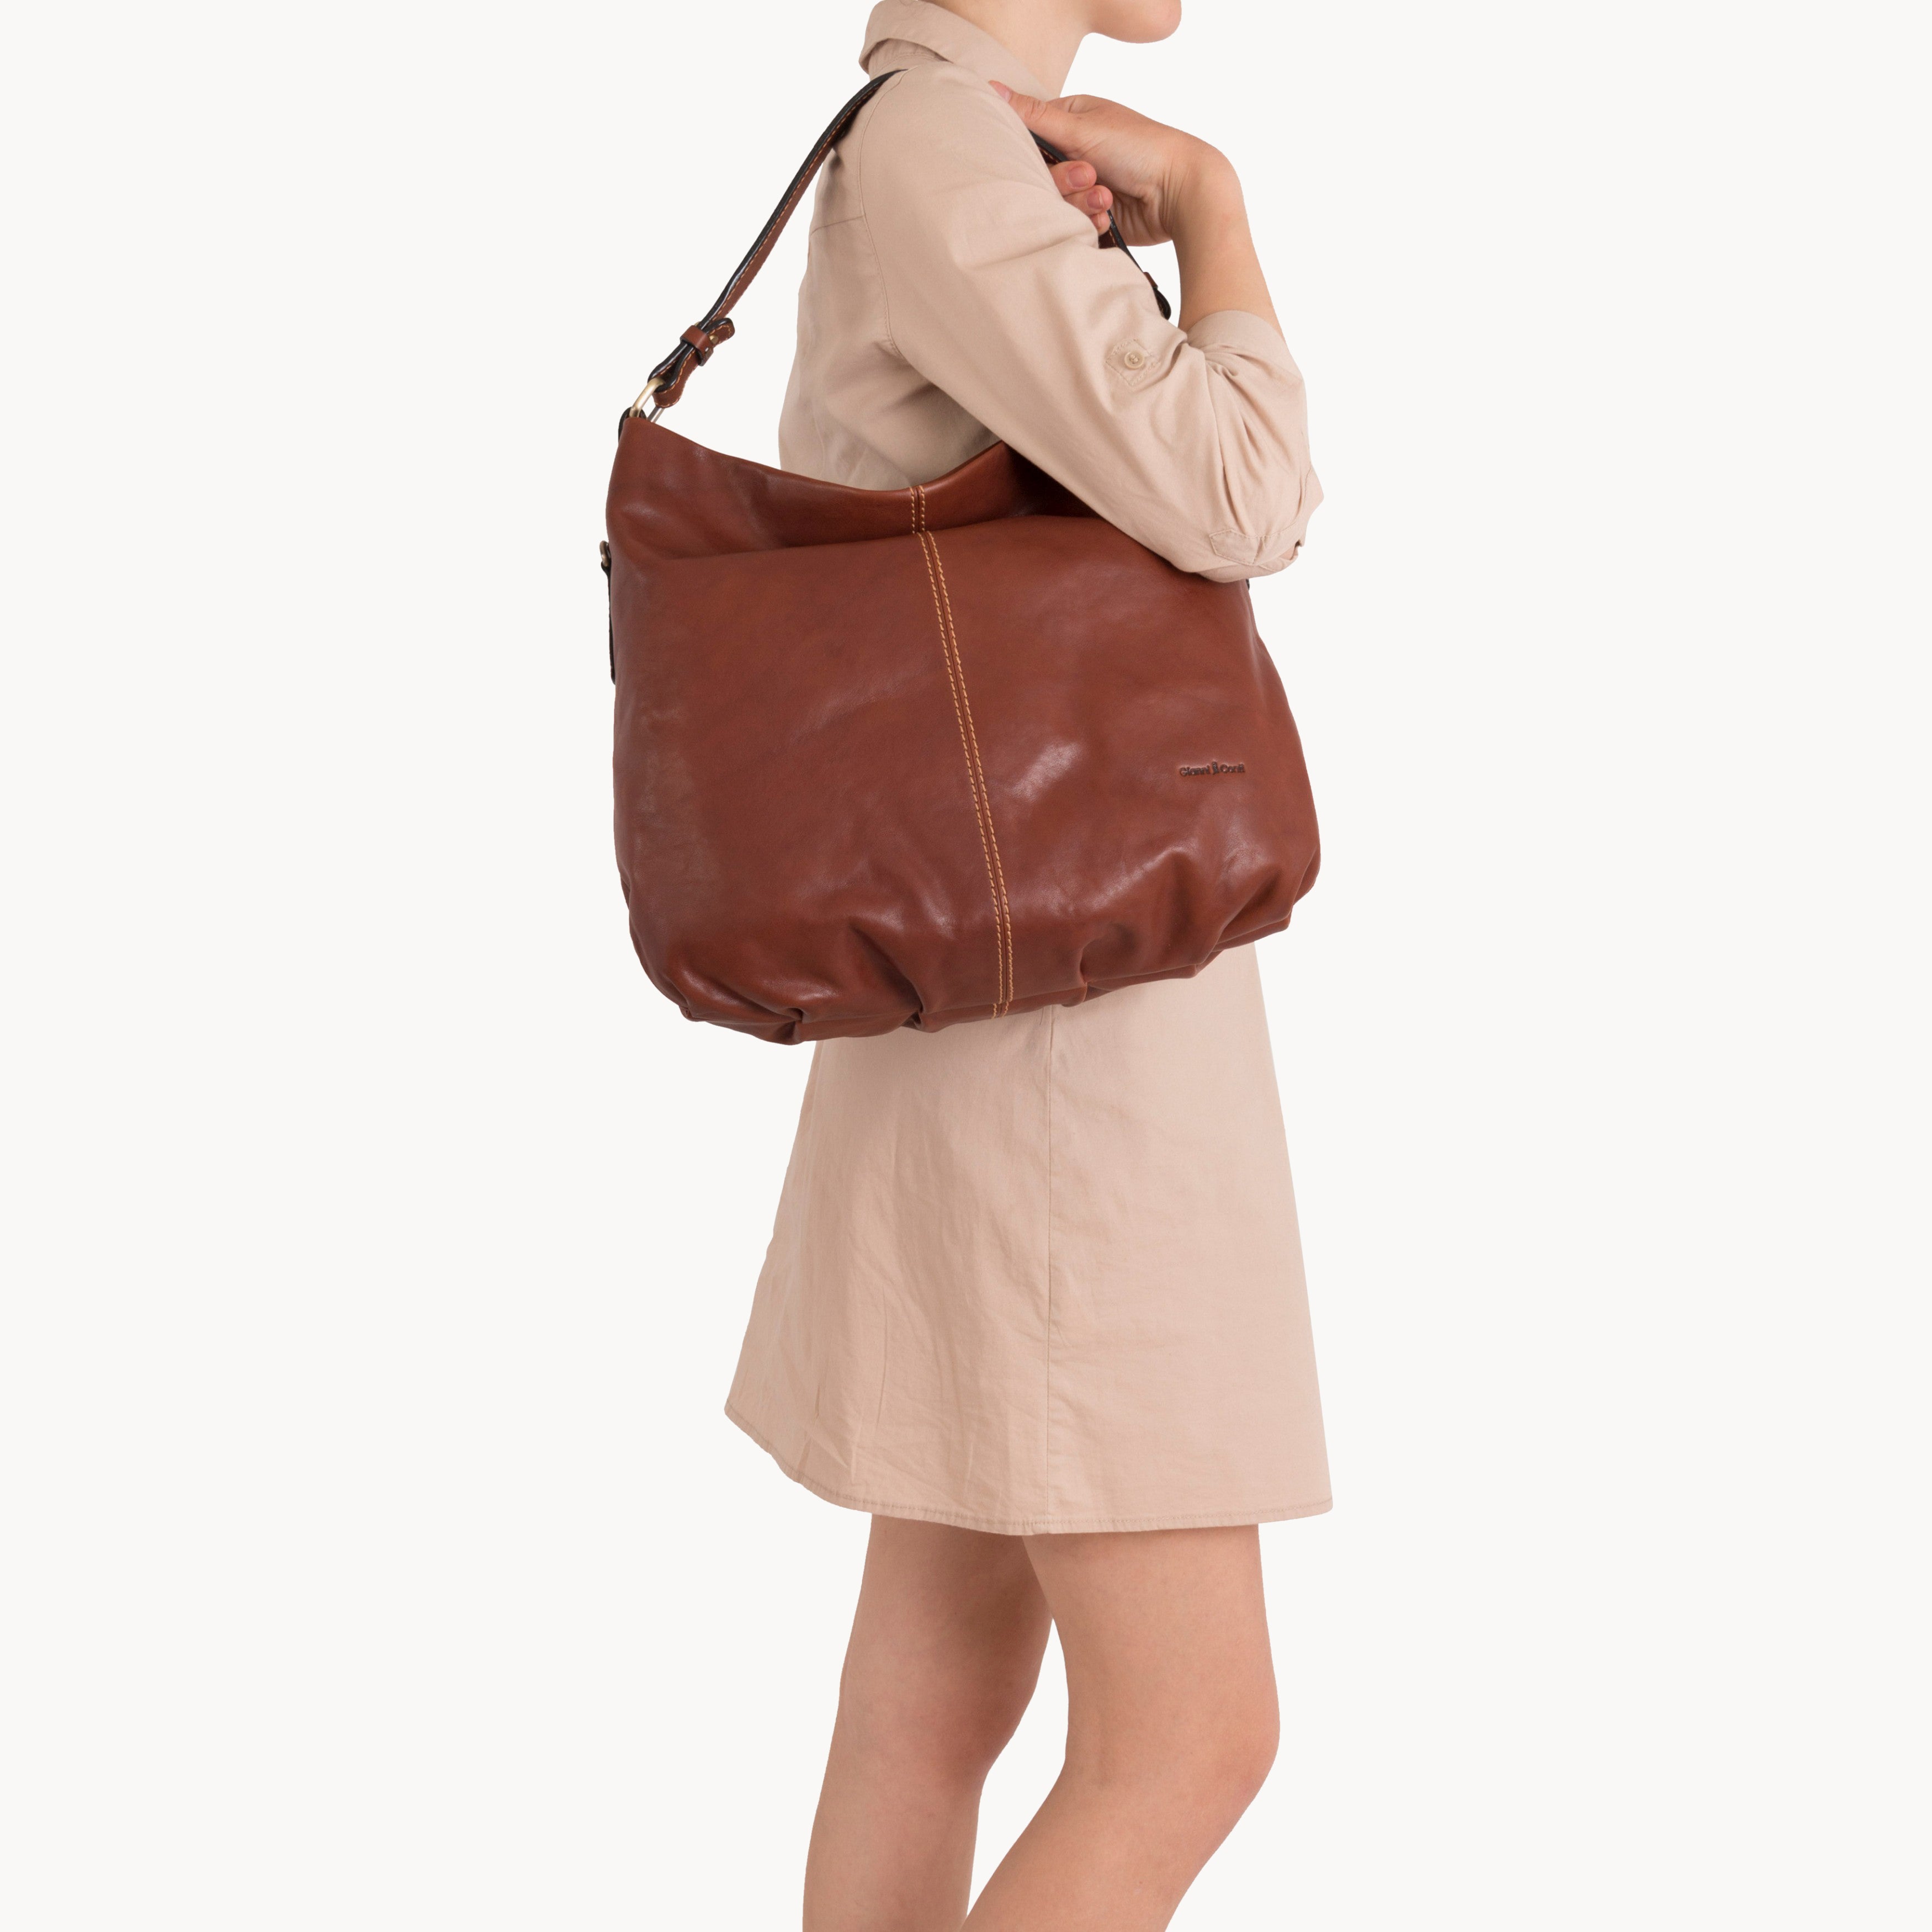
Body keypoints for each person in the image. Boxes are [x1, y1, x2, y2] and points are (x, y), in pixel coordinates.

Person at [721, 4, 1330, 1925]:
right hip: (1068, 1039)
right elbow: (1238, 494)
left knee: (938, 1685)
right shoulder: (938, 154)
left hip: (984, 993)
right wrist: (1215, 209)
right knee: (1191, 1732)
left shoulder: (936, 146)